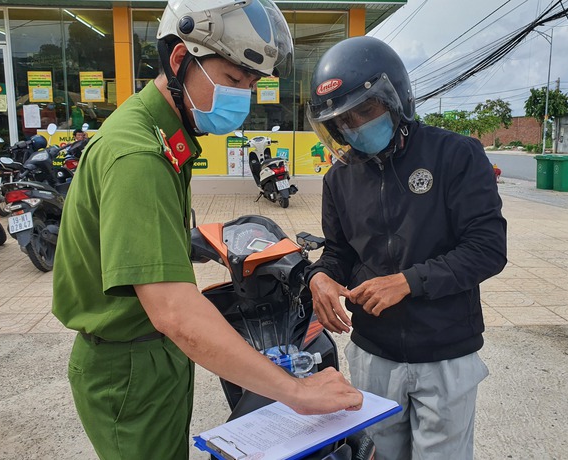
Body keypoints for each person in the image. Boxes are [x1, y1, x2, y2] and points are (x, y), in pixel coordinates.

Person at [51, 1, 363, 459]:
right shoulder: (138, 155)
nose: (243, 97)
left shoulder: (165, 134)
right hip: (129, 363)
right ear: (180, 60)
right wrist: (297, 393)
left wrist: (201, 244)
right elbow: (175, 313)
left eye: (251, 85)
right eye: (234, 81)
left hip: (154, 355)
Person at [304, 36, 507, 460]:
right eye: (342, 121)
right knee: (381, 453)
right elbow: (339, 252)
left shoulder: (456, 155)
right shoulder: (338, 179)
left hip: (445, 351)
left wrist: (409, 282)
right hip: (373, 353)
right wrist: (319, 276)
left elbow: (487, 248)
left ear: (397, 98)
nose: (355, 126)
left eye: (365, 110)